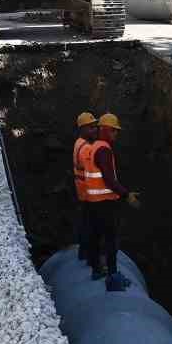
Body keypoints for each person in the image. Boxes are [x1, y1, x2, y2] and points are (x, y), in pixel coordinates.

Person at [81, 112, 141, 292]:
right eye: (114, 131)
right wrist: (126, 194)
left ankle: (97, 270)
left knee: (96, 236)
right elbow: (108, 179)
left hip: (94, 201)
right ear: (106, 130)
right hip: (104, 203)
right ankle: (113, 278)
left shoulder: (93, 147)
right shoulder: (104, 150)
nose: (116, 135)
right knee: (111, 240)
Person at [70, 110, 100, 262]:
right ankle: (92, 259)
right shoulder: (86, 149)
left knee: (86, 223)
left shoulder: (79, 143)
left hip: (83, 192)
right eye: (91, 127)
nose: (95, 130)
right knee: (92, 226)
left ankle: (84, 253)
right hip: (89, 194)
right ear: (82, 129)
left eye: (95, 126)